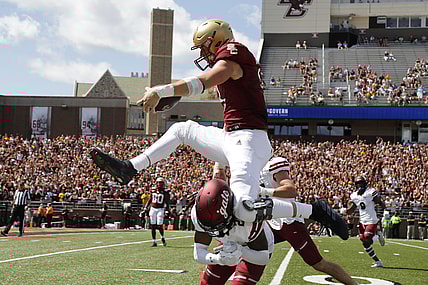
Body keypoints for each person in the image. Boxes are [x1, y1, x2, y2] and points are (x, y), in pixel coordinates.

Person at [89, 19, 348, 240]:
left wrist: (163, 90)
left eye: (203, 47)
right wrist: (168, 96)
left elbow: (205, 81)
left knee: (245, 209)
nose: (203, 54)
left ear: (216, 39)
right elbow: (204, 84)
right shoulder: (231, 61)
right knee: (182, 129)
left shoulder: (235, 53)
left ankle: (313, 211)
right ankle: (130, 167)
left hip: (249, 140)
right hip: (231, 137)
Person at [257, 157, 359, 285]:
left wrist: (262, 191)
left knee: (318, 263)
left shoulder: (272, 165)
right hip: (271, 221)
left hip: (288, 221)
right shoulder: (254, 166)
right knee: (252, 252)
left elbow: (290, 190)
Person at [192, 178, 274, 285]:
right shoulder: (202, 213)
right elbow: (198, 252)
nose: (214, 230)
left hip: (252, 248)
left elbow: (263, 257)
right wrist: (218, 259)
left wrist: (240, 251)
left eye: (218, 225)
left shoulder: (247, 217)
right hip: (228, 245)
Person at [347, 176, 386, 268]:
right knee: (364, 242)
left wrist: (384, 210)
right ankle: (378, 261)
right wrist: (347, 211)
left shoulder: (370, 192)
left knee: (367, 237)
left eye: (361, 183)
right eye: (358, 183)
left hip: (371, 219)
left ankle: (377, 235)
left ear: (365, 183)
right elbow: (352, 209)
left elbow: (379, 202)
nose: (359, 185)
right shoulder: (354, 195)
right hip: (362, 220)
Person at [144, 177, 170, 247]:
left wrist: (167, 210)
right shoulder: (153, 190)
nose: (159, 184)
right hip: (153, 209)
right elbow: (150, 199)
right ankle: (154, 241)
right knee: (152, 225)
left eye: (161, 182)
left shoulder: (165, 192)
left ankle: (162, 237)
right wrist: (146, 207)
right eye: (158, 182)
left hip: (160, 209)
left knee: (159, 225)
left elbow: (167, 202)